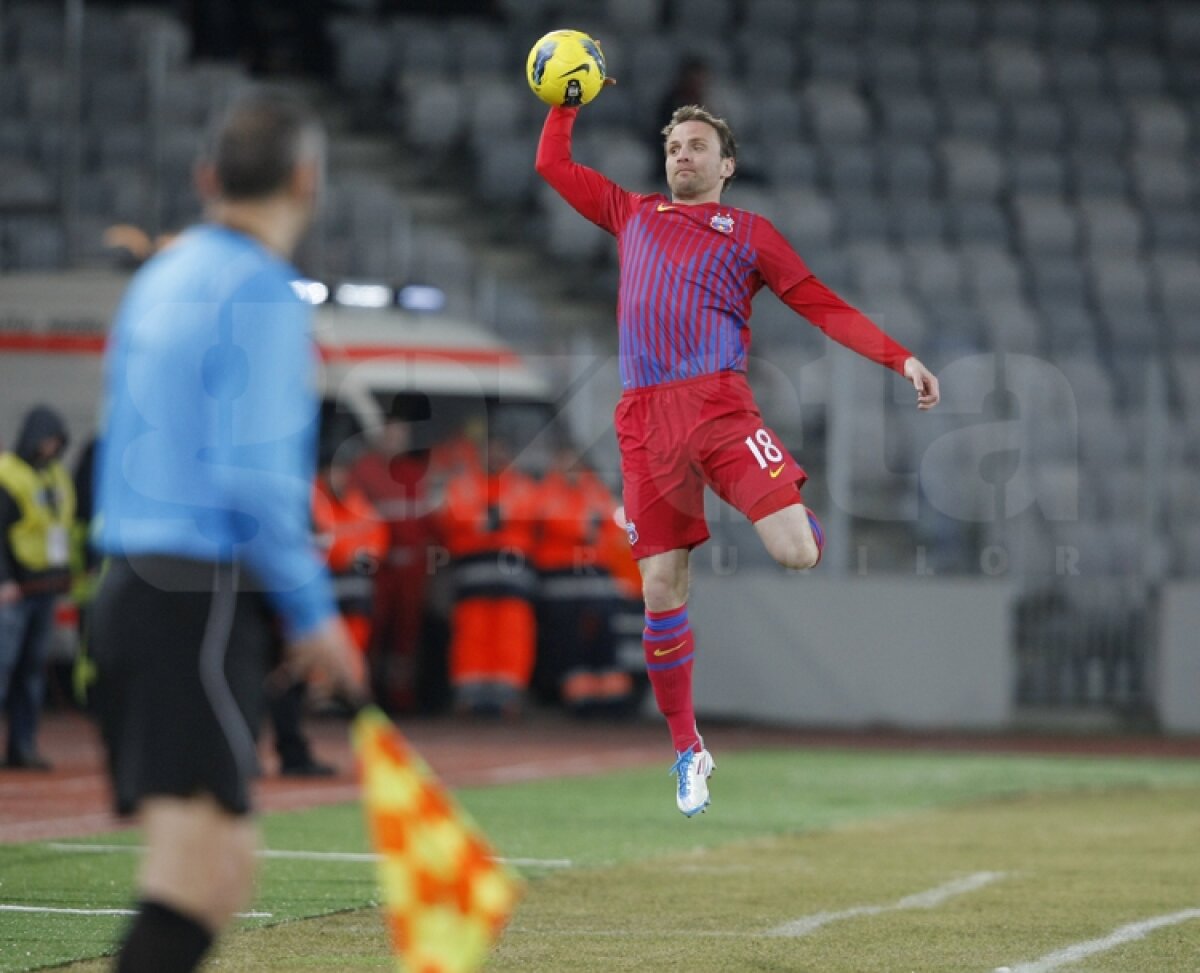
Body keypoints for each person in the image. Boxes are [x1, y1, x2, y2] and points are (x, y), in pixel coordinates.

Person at [536, 101, 941, 816]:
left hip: (721, 411)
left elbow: (820, 303)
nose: (682, 155)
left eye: (697, 146)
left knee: (796, 552)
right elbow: (552, 166)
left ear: (727, 164)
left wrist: (899, 358)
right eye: (673, 146)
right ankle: (688, 747)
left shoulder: (750, 235)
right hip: (646, 420)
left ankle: (790, 503)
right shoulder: (633, 213)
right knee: (661, 586)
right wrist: (566, 106)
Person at [89, 88, 364, 973]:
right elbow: (252, 480)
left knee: (215, 869)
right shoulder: (262, 292)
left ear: (208, 177)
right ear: (307, 182)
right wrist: (315, 618)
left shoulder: (159, 277)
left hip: (136, 584)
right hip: (193, 596)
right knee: (198, 872)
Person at [436, 431, 539, 718]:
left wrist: (489, 520)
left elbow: (531, 512)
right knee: (471, 633)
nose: (495, 456)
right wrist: (491, 519)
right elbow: (452, 515)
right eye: (490, 449)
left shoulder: (520, 485)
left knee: (512, 634)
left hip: (512, 575)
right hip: (473, 571)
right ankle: (470, 697)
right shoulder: (464, 484)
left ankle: (507, 697)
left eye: (500, 449)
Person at [532, 437, 632, 715]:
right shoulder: (547, 491)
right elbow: (554, 520)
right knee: (568, 641)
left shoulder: (594, 489)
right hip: (560, 577)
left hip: (596, 576)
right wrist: (583, 526)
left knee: (604, 638)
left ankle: (612, 698)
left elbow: (611, 524)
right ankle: (579, 700)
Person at [0, 405, 74, 769]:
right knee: (3, 667)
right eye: (49, 439)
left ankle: (22, 746)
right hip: (13, 593)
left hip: (43, 588)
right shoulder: (8, 475)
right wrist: (4, 581)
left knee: (30, 672)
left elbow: (63, 528)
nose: (52, 446)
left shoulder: (56, 476)